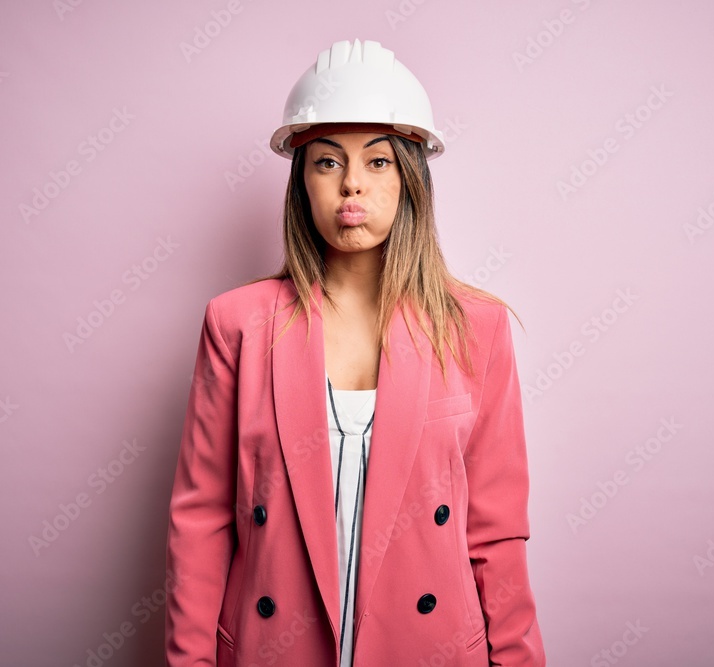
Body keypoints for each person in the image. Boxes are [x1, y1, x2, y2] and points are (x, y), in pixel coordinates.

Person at [165, 38, 546, 666]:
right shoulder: (237, 324)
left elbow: (497, 535)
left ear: (411, 178)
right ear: (302, 181)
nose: (351, 186)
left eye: (377, 162)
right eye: (326, 162)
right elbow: (199, 524)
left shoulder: (478, 329)